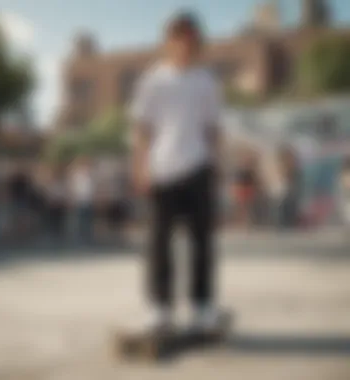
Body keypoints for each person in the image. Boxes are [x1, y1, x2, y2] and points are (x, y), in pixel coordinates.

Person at [130, 11, 223, 332]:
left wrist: (215, 165)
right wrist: (140, 169)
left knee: (202, 242)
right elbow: (142, 129)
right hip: (162, 168)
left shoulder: (206, 81)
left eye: (191, 39)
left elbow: (212, 128)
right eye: (179, 38)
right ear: (168, 42)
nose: (185, 45)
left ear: (197, 43)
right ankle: (160, 306)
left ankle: (202, 305)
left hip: (198, 166)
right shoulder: (152, 81)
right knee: (159, 242)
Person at [68, 157, 95, 241]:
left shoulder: (90, 176)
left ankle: (88, 237)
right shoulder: (76, 176)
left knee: (88, 220)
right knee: (79, 220)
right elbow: (72, 188)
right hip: (79, 201)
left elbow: (92, 189)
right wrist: (72, 199)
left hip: (88, 201)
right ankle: (79, 237)